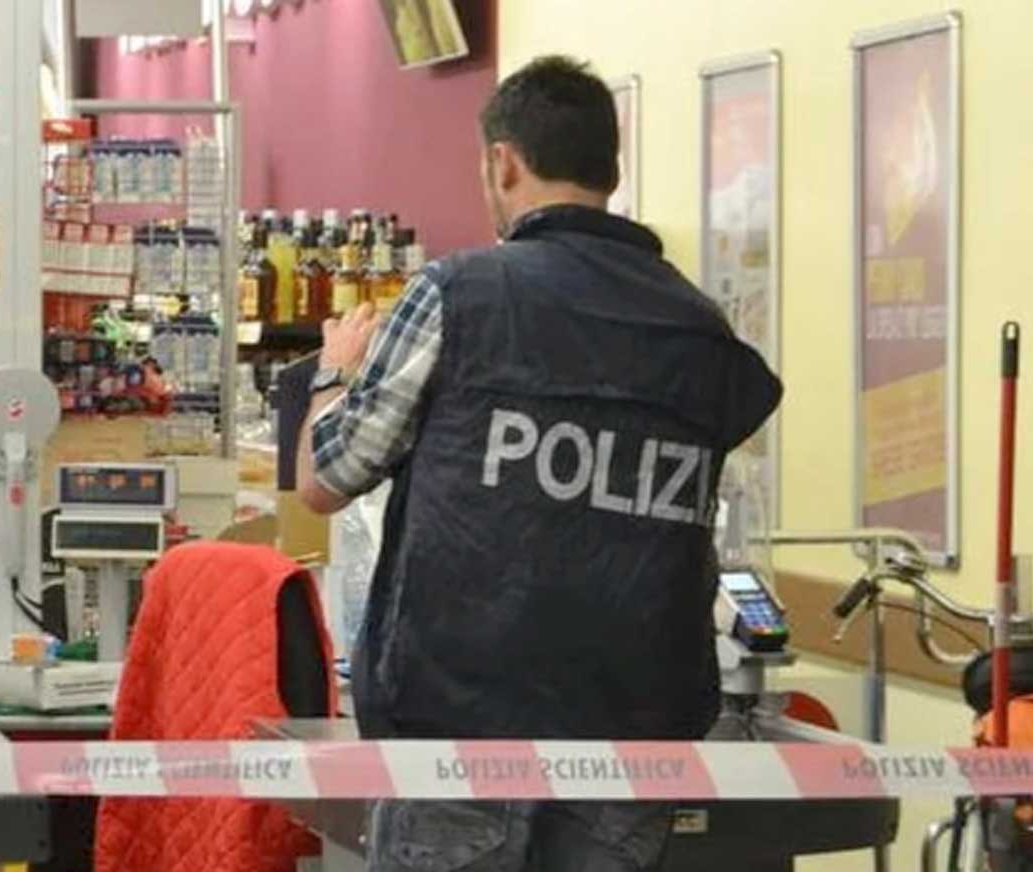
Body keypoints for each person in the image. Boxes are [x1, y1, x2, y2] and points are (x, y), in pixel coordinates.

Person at [296, 57, 783, 872]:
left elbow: (325, 480)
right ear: (610, 168)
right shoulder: (700, 326)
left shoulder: (461, 293)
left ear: (503, 161)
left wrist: (335, 373)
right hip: (636, 736)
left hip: (462, 727)